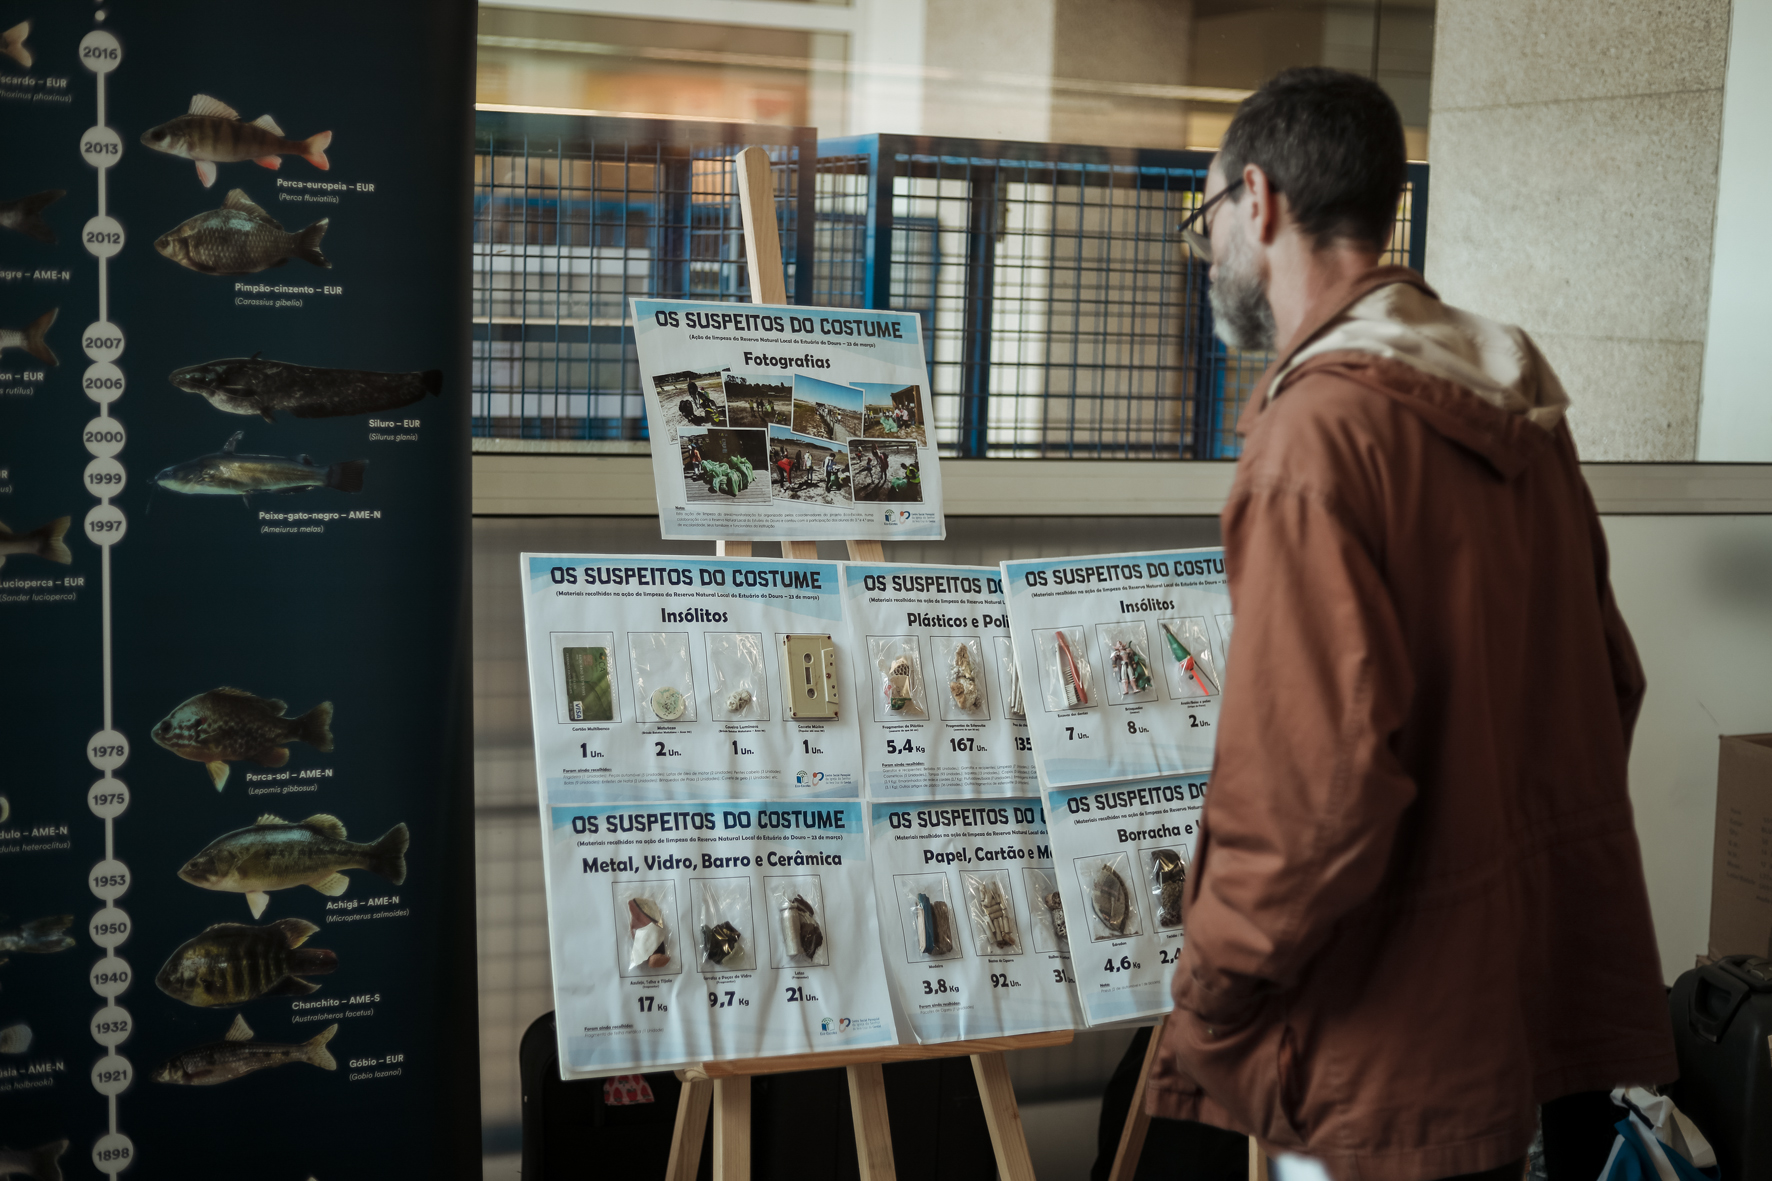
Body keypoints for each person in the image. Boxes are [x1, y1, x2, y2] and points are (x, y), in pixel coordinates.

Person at [1146, 67, 1675, 1181]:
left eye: (1208, 221)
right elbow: (1607, 681)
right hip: (1523, 1015)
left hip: (1377, 1046)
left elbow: (1312, 794)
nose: (1212, 257)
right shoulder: (1513, 405)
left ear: (1260, 200)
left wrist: (1204, 991)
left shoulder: (1315, 439)